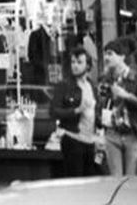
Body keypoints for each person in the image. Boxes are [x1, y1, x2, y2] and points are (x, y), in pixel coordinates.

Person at [98, 39, 137, 176]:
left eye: (111, 54)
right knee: (115, 179)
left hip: (132, 134)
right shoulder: (105, 79)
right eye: (105, 54)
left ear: (122, 56)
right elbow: (99, 106)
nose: (106, 57)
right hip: (112, 134)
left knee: (130, 180)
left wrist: (126, 96)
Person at [51, 46, 97, 176]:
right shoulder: (64, 86)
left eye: (79, 62)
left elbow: (96, 110)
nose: (75, 66)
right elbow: (53, 111)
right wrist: (76, 110)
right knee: (75, 178)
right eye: (73, 62)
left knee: (90, 179)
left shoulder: (92, 86)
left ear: (88, 66)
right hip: (73, 138)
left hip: (90, 140)